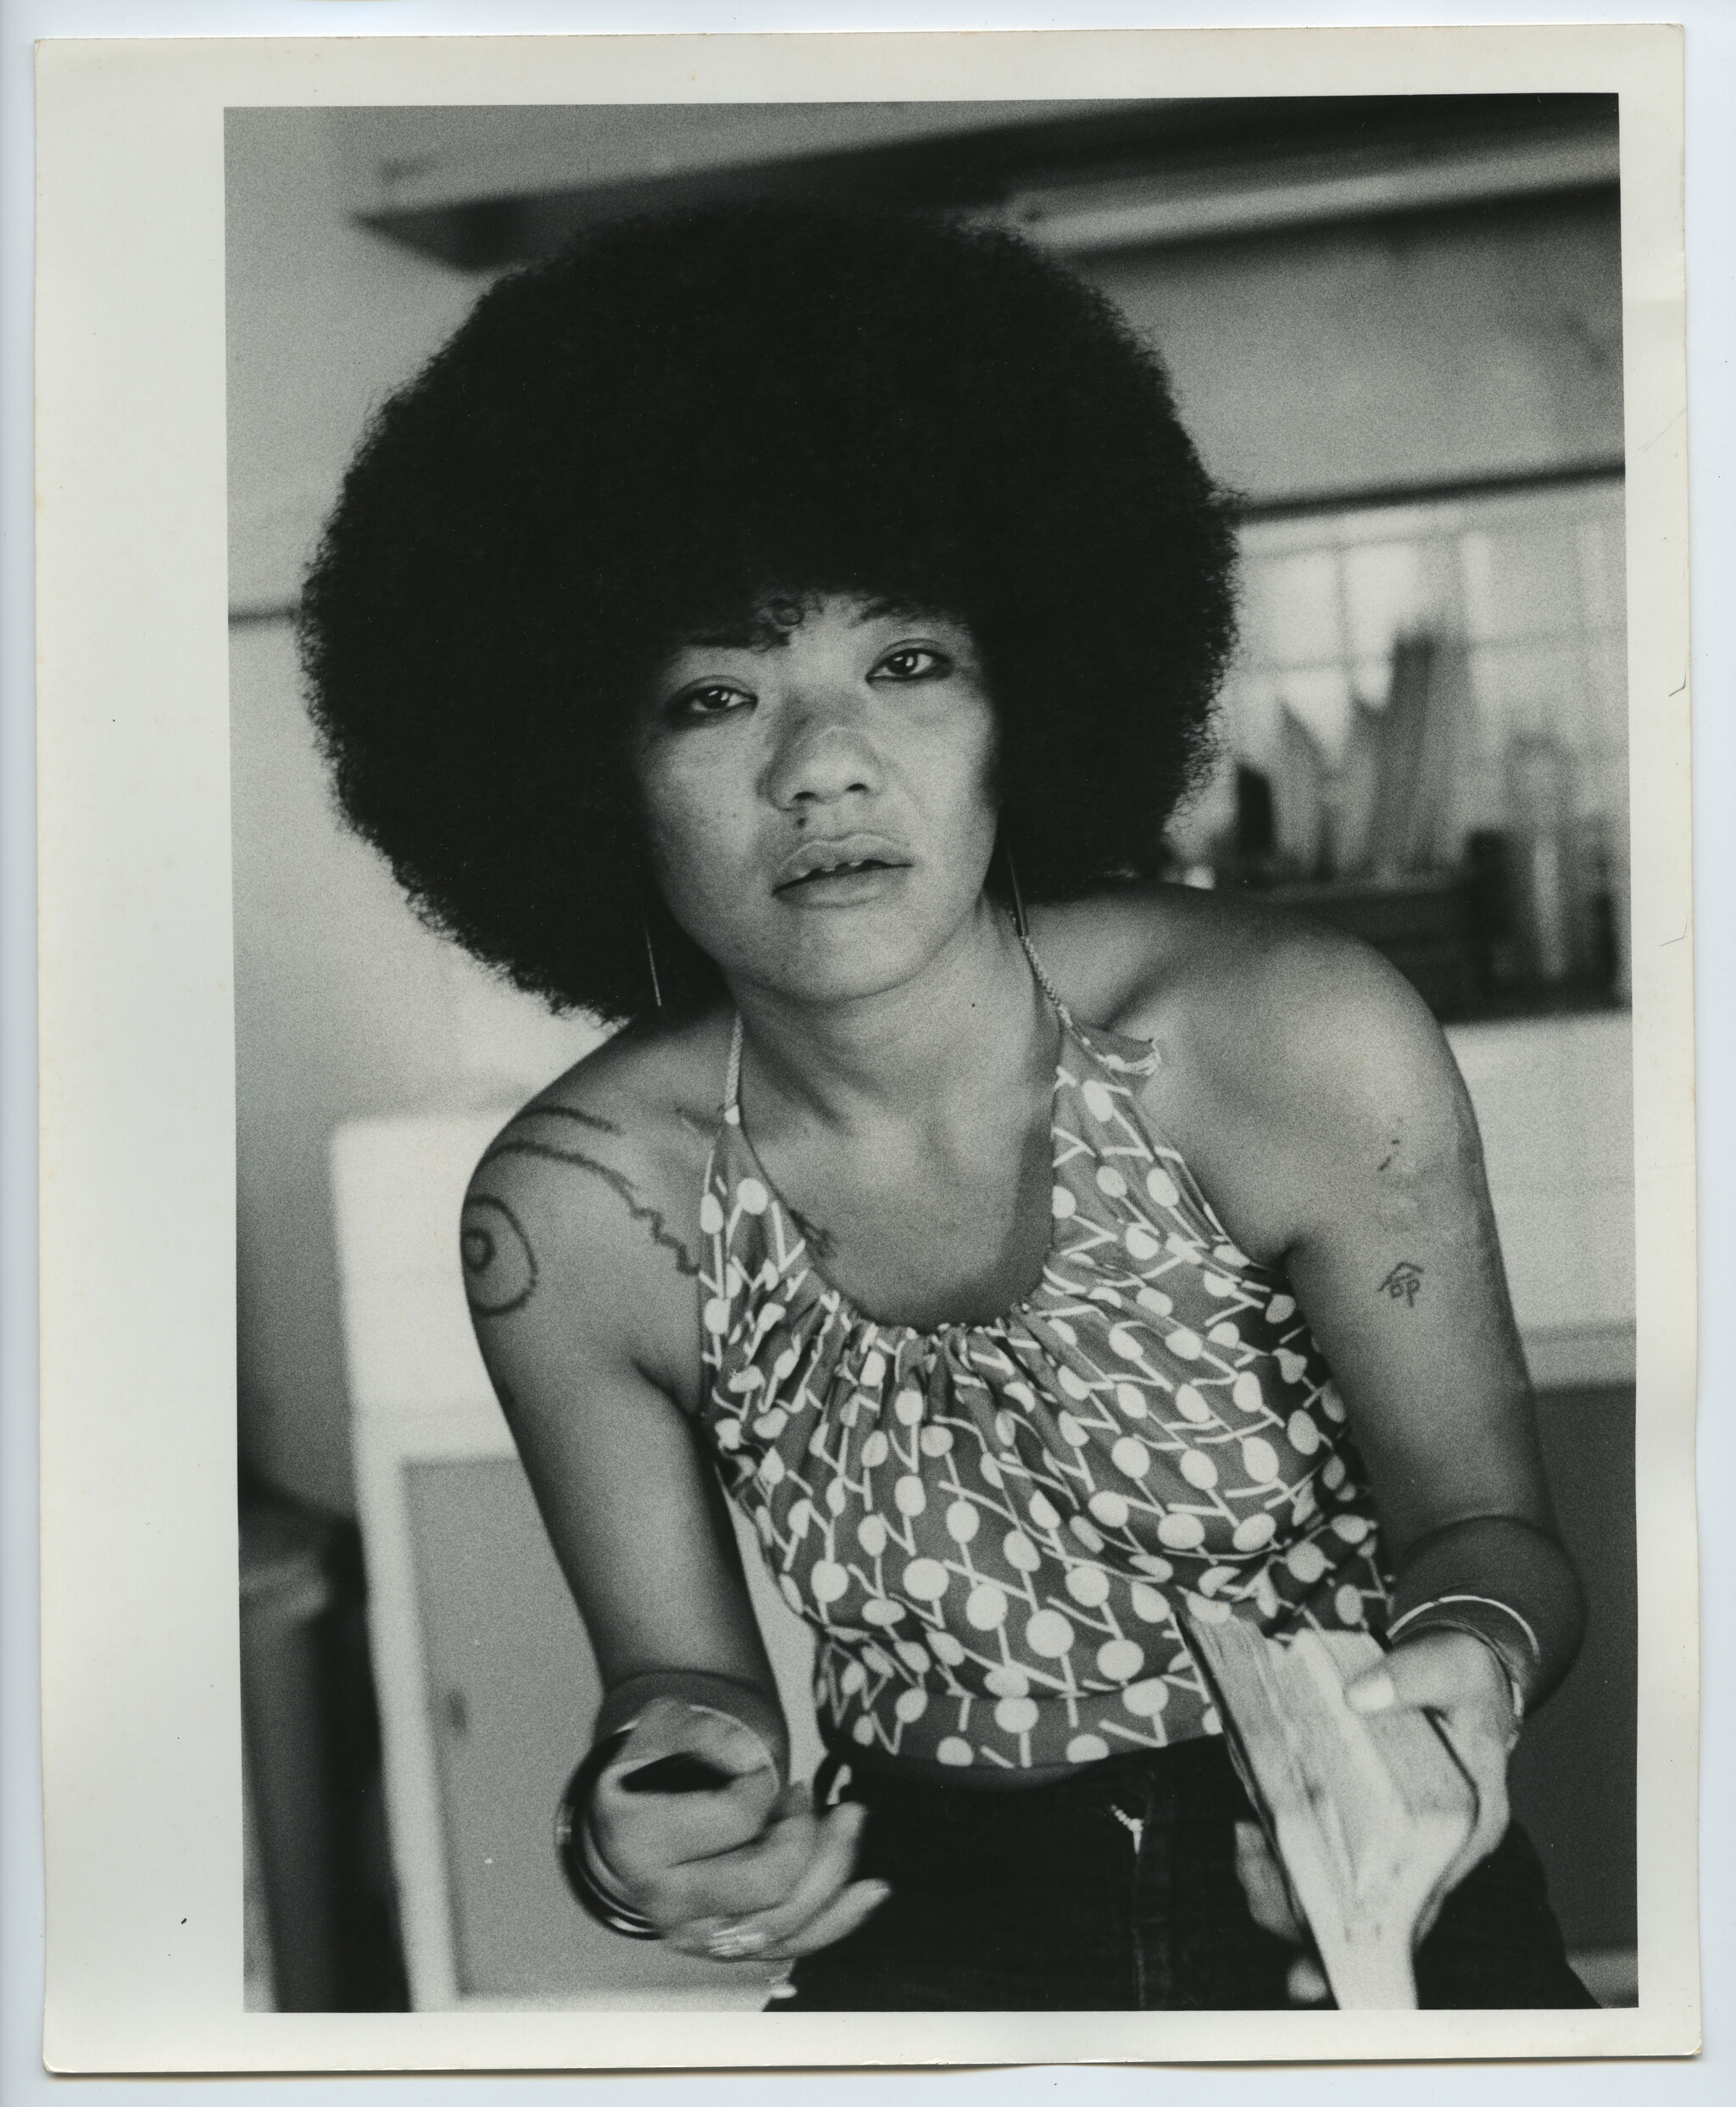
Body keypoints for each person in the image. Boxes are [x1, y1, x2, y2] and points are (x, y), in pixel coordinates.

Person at [301, 201, 1592, 2010]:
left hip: (1369, 1889)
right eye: (715, 694)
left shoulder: (1287, 1038)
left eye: (907, 663)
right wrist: (643, 1814)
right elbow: (681, 1692)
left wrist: (1459, 1677)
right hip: (928, 1944)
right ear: (591, 766)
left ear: (1023, 700)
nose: (823, 764)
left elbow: (1489, 1535)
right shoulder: (577, 1209)